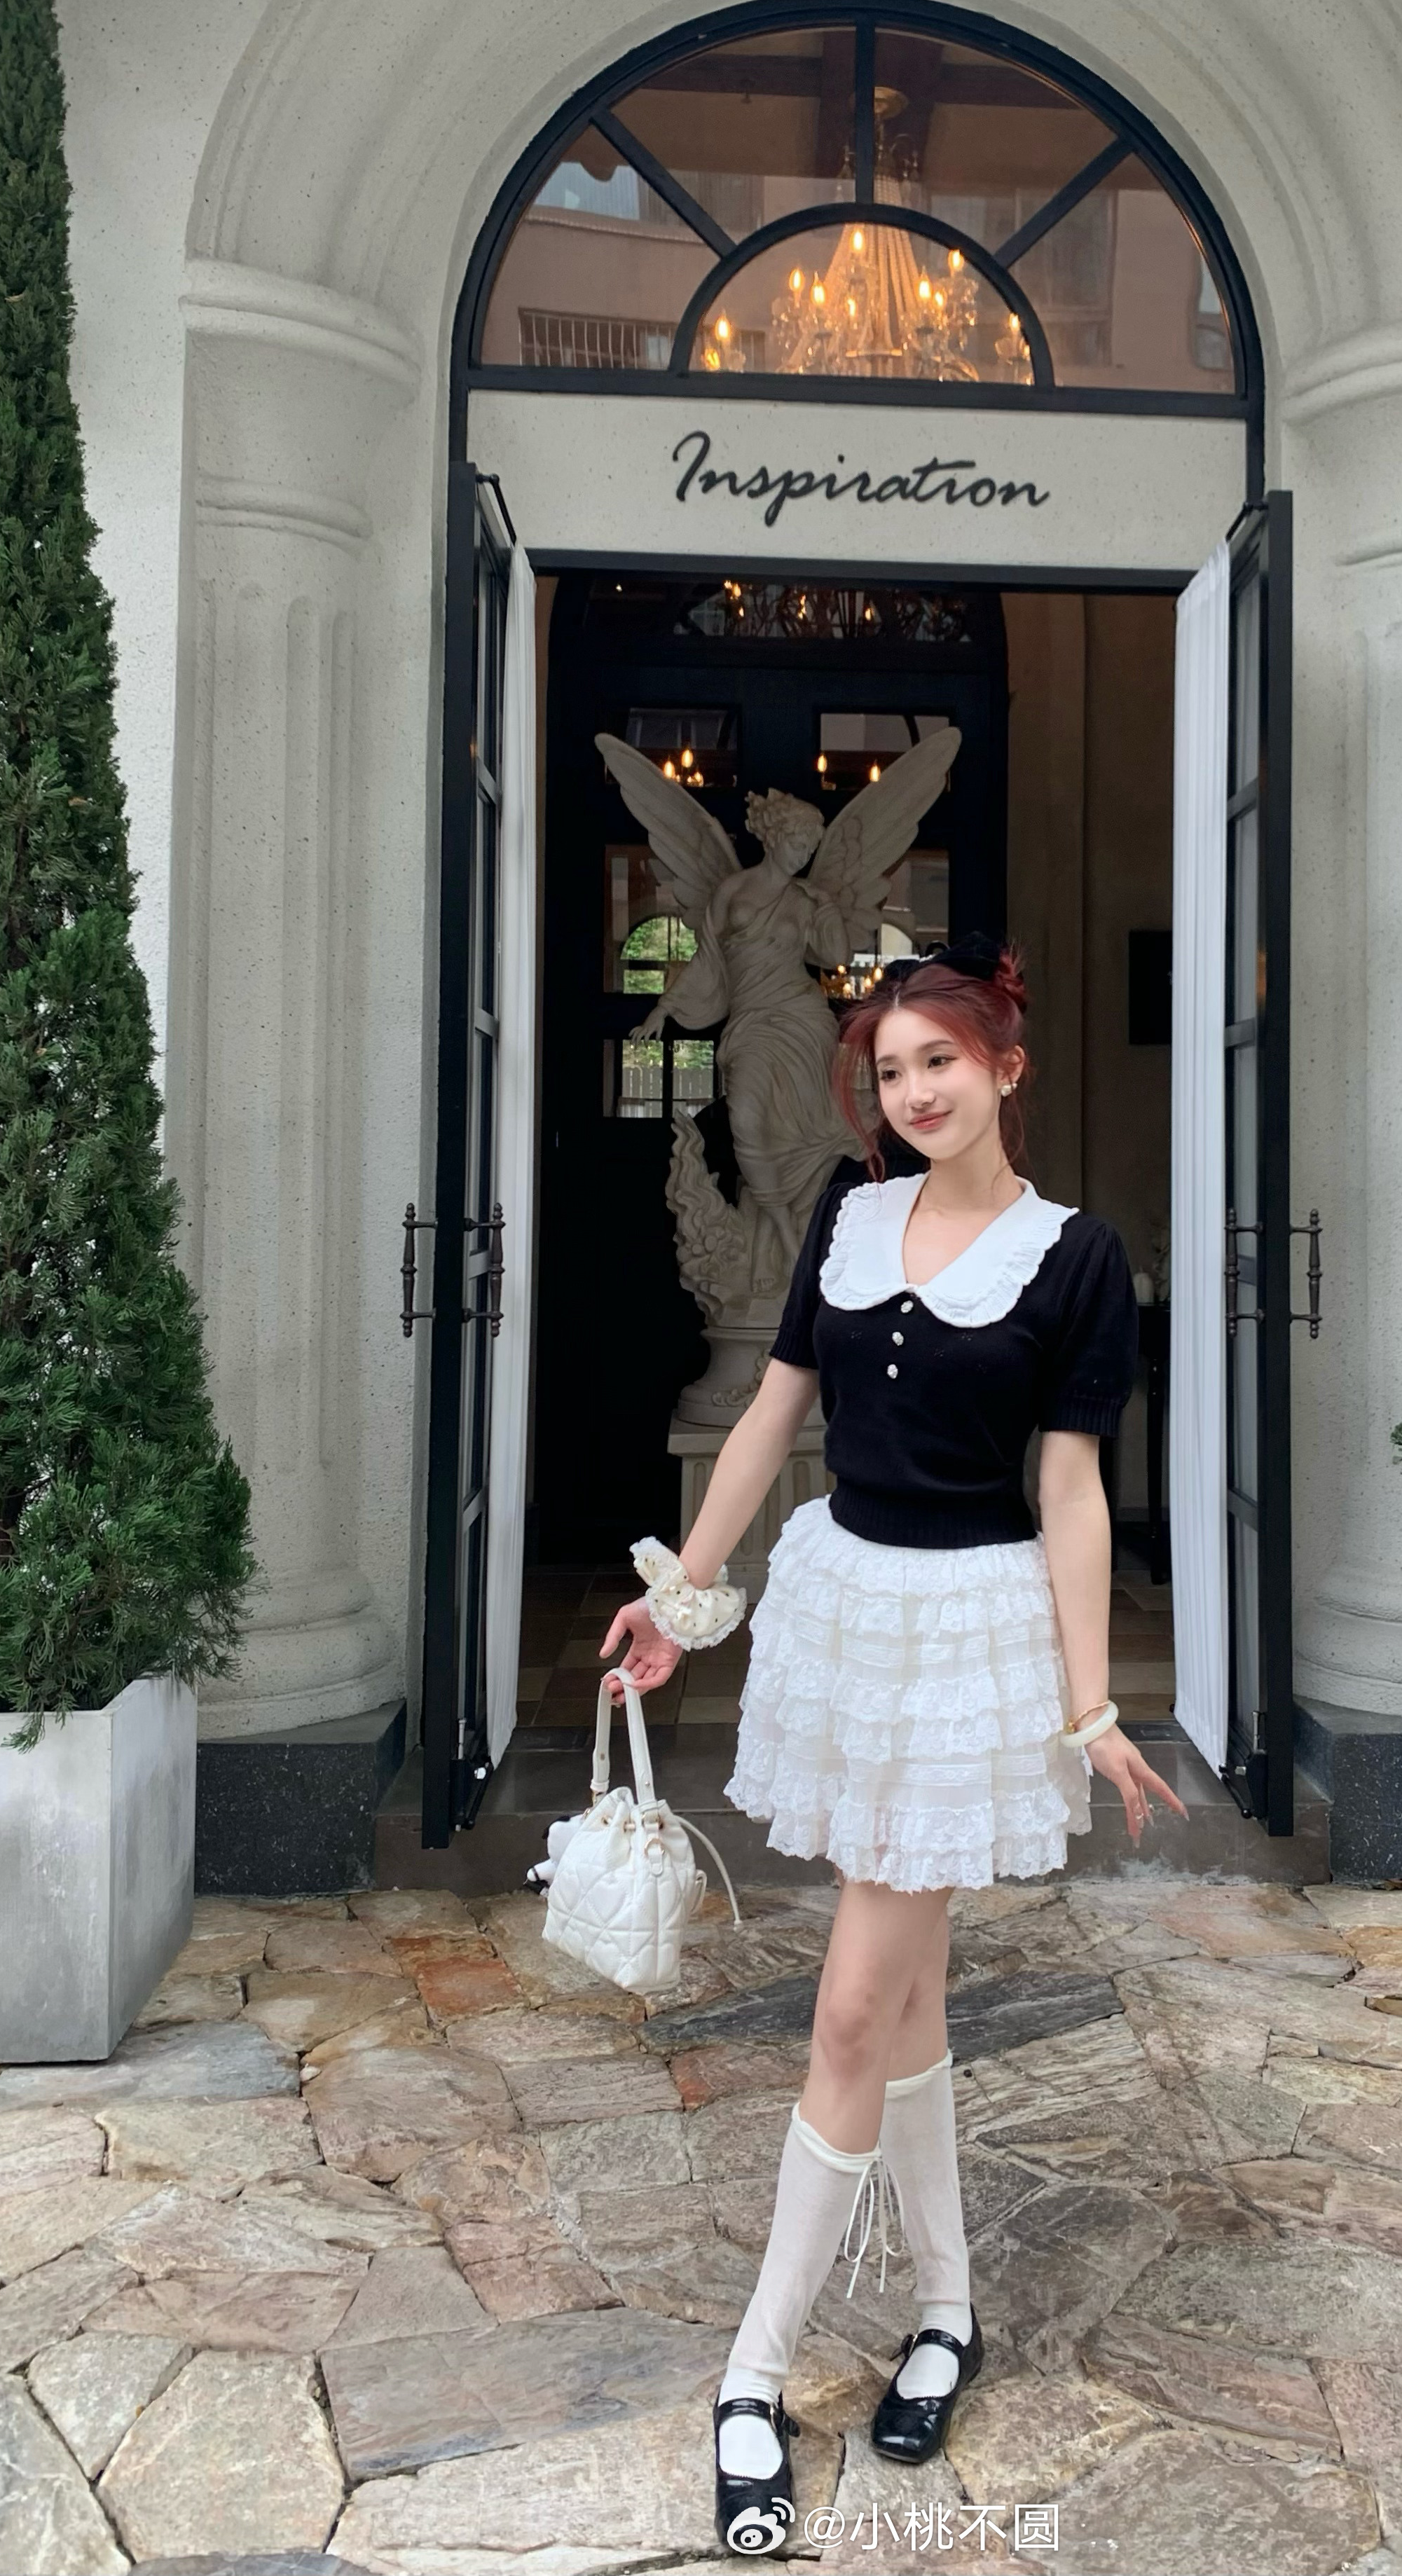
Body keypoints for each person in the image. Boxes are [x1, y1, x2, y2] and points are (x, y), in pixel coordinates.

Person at [598, 934, 1188, 2558]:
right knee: (905, 1994)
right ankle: (946, 2309)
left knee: (855, 2005)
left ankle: (754, 2369)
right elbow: (772, 1410)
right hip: (849, 1610)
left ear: (1007, 1064)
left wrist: (1091, 1702)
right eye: (890, 1067)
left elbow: (1071, 1488)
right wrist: (681, 1592)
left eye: (941, 1059)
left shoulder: (1074, 1257)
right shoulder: (848, 1220)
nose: (913, 1088)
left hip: (970, 1638)